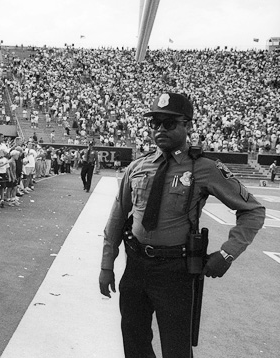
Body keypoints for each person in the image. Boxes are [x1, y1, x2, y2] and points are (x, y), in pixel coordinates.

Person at [99, 93, 266, 358]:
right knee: (134, 343)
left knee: (176, 349)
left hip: (175, 273)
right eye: (155, 123)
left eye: (169, 123)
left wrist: (227, 253)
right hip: (135, 267)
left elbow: (253, 211)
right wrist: (107, 264)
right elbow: (117, 217)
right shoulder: (138, 167)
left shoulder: (205, 168)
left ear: (187, 126)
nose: (160, 130)